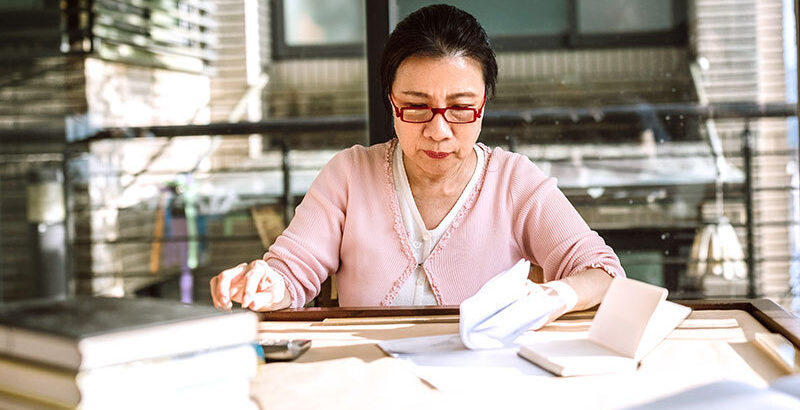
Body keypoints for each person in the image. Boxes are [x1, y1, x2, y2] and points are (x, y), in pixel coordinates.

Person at [210, 4, 625, 324]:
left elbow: (604, 272)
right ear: (390, 101)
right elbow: (292, 273)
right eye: (415, 106)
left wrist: (556, 295)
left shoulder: (514, 182)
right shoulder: (350, 175)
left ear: (483, 105)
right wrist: (268, 284)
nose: (439, 130)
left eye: (461, 108)